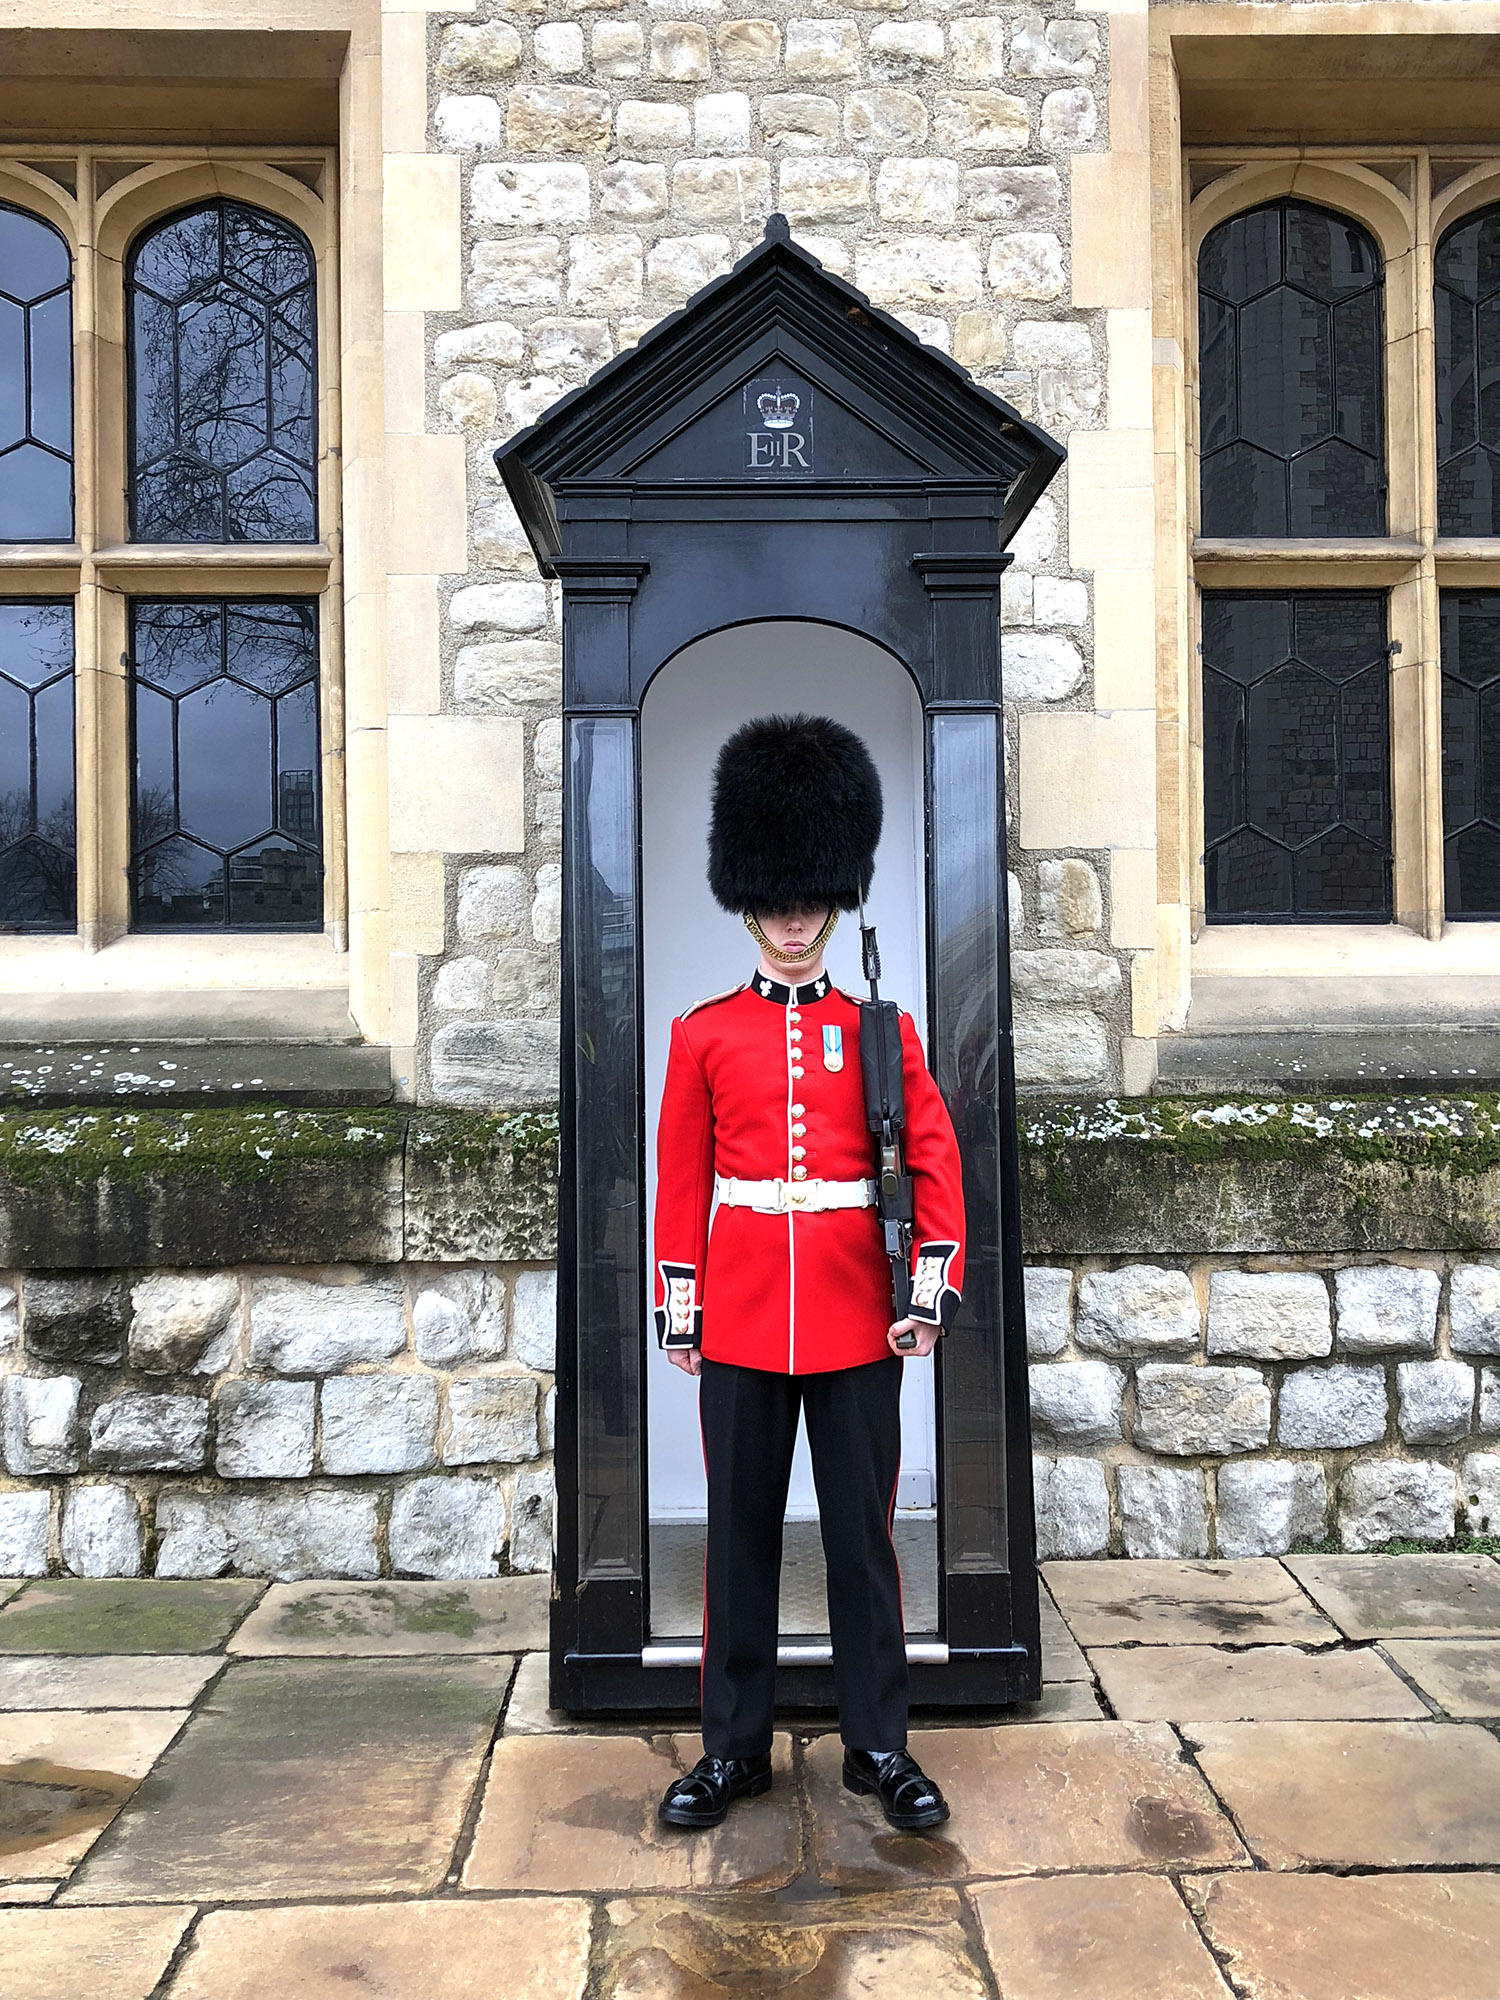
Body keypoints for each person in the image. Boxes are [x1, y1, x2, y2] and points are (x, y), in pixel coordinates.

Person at [651, 713, 966, 1835]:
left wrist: (927, 1285)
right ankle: (732, 1750)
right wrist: (679, 1299)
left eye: (809, 900)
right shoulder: (703, 1034)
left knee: (860, 1541)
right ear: (750, 904)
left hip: (855, 1317)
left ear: (832, 901)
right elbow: (682, 1180)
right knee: (736, 1542)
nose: (793, 919)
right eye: (776, 901)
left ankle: (879, 1743)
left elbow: (932, 1155)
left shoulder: (882, 1031)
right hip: (739, 1315)